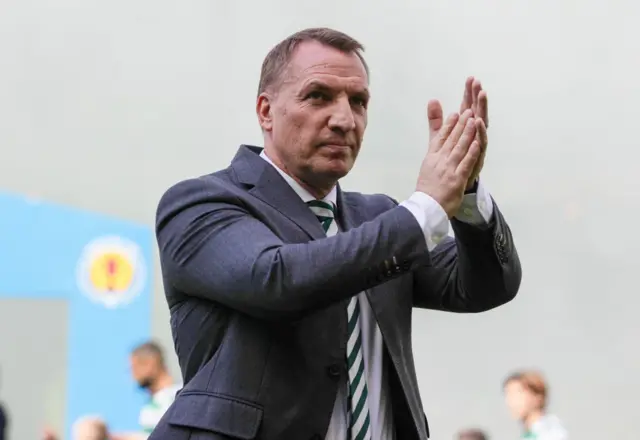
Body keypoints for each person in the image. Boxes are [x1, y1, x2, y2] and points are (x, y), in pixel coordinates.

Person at [152, 27, 522, 440]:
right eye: (318, 97)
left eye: (358, 102)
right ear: (266, 111)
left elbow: (488, 286)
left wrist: (466, 192)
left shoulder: (382, 217)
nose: (345, 119)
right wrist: (426, 207)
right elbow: (277, 280)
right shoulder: (199, 203)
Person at [111, 342, 181, 440]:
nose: (133, 375)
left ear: (150, 364)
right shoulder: (178, 394)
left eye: (134, 368)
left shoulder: (167, 400)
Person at [503, 370, 568, 439]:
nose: (510, 401)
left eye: (517, 393)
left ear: (537, 396)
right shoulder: (529, 434)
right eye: (508, 394)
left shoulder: (551, 431)